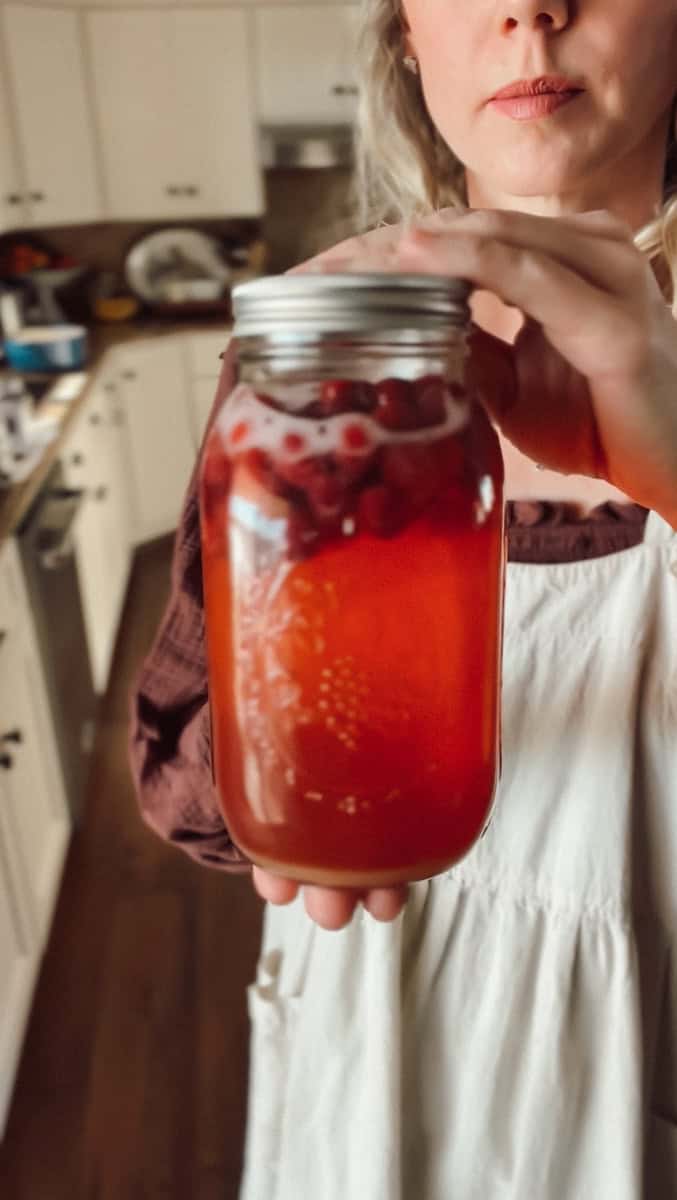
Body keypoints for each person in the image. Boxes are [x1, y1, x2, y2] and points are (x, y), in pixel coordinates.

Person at [129, 1, 677, 1195]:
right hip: (369, 1042)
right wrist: (291, 754)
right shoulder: (306, 371)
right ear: (404, 36)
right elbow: (186, 766)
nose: (531, 8)